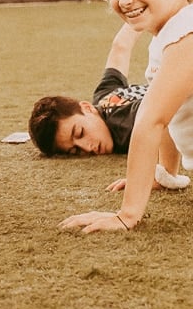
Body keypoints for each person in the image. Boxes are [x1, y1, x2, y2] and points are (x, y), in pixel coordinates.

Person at [61, 0, 193, 235]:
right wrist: (165, 174)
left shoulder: (186, 37)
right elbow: (172, 113)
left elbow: (151, 120)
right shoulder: (174, 33)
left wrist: (127, 214)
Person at [28, 24, 188, 188]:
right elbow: (121, 46)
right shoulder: (103, 97)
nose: (87, 147)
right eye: (75, 150)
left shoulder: (126, 127)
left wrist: (163, 176)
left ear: (87, 108)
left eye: (80, 133)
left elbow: (163, 115)